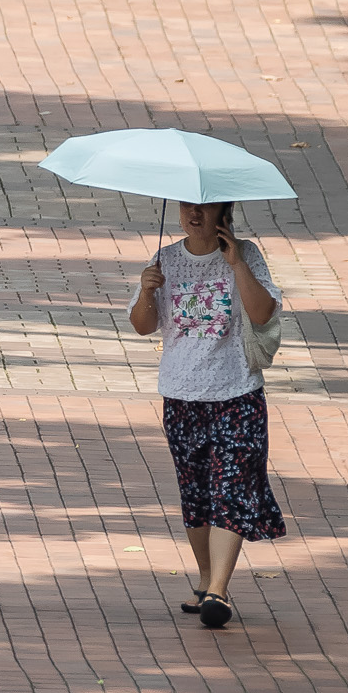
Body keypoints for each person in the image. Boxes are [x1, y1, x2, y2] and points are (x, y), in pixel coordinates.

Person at [128, 199, 282, 628]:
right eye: (187, 207)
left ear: (223, 213)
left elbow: (263, 312)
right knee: (196, 495)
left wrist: (236, 265)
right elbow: (143, 325)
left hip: (237, 394)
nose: (195, 215)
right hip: (181, 396)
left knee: (231, 489)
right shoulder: (165, 259)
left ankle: (218, 591)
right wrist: (146, 290)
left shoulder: (246, 254)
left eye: (205, 208)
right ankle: (206, 581)